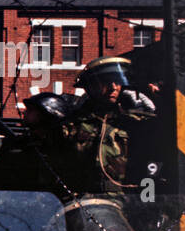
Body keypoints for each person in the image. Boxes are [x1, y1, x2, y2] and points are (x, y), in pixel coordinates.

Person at [54, 56, 153, 199]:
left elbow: (149, 166)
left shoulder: (134, 123)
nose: (114, 87)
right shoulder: (71, 125)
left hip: (125, 202)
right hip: (82, 201)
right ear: (90, 85)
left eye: (117, 81)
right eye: (107, 81)